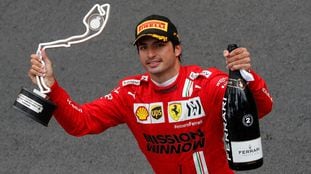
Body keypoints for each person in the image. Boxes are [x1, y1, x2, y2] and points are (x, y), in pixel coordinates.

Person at [28, 15, 273, 174]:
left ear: (177, 48)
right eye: (143, 47)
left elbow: (261, 108)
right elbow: (80, 123)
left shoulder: (206, 84)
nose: (150, 54)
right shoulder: (130, 93)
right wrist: (51, 87)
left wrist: (246, 75)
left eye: (158, 45)